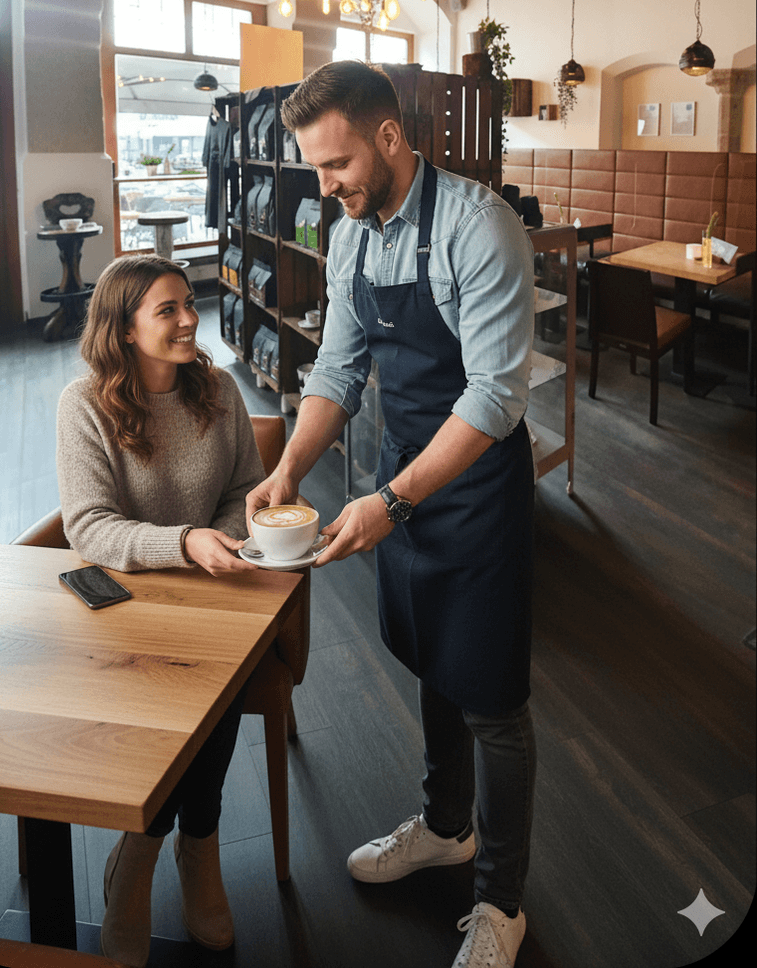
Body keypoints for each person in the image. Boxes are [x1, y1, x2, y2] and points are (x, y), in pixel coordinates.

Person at [246, 61, 537, 968]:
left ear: (388, 137)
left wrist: (389, 499)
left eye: (334, 166)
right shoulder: (351, 236)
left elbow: (494, 398)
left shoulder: (477, 226)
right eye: (315, 171)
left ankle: (503, 901)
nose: (325, 189)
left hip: (475, 490)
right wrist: (289, 468)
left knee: (492, 699)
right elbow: (339, 368)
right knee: (434, 663)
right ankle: (446, 826)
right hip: (402, 478)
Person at [57, 254, 264, 968]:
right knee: (183, 687)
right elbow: (88, 526)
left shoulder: (220, 390)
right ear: (123, 328)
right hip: (125, 606)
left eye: (187, 304)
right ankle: (153, 851)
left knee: (221, 677)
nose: (188, 320)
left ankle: (188, 849)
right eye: (167, 310)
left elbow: (246, 487)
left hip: (217, 591)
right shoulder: (84, 404)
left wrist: (229, 537)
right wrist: (184, 542)